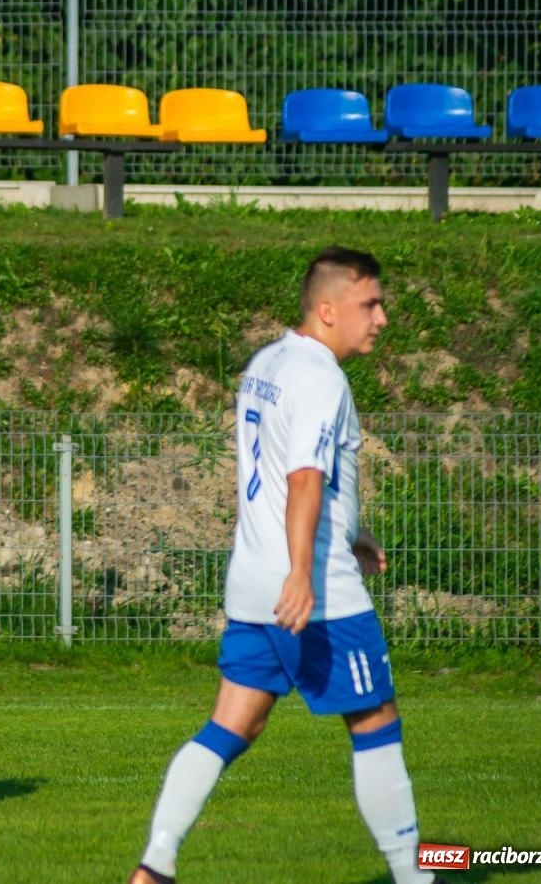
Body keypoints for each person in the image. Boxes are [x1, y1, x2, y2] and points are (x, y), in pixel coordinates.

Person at [129, 247, 440, 884]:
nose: (381, 318)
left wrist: (349, 530)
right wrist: (303, 570)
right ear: (328, 310)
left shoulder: (267, 362)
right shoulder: (321, 378)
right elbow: (302, 477)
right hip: (314, 590)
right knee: (375, 721)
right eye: (370, 304)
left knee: (232, 723)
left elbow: (280, 472)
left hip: (252, 580)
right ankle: (415, 876)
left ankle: (154, 866)